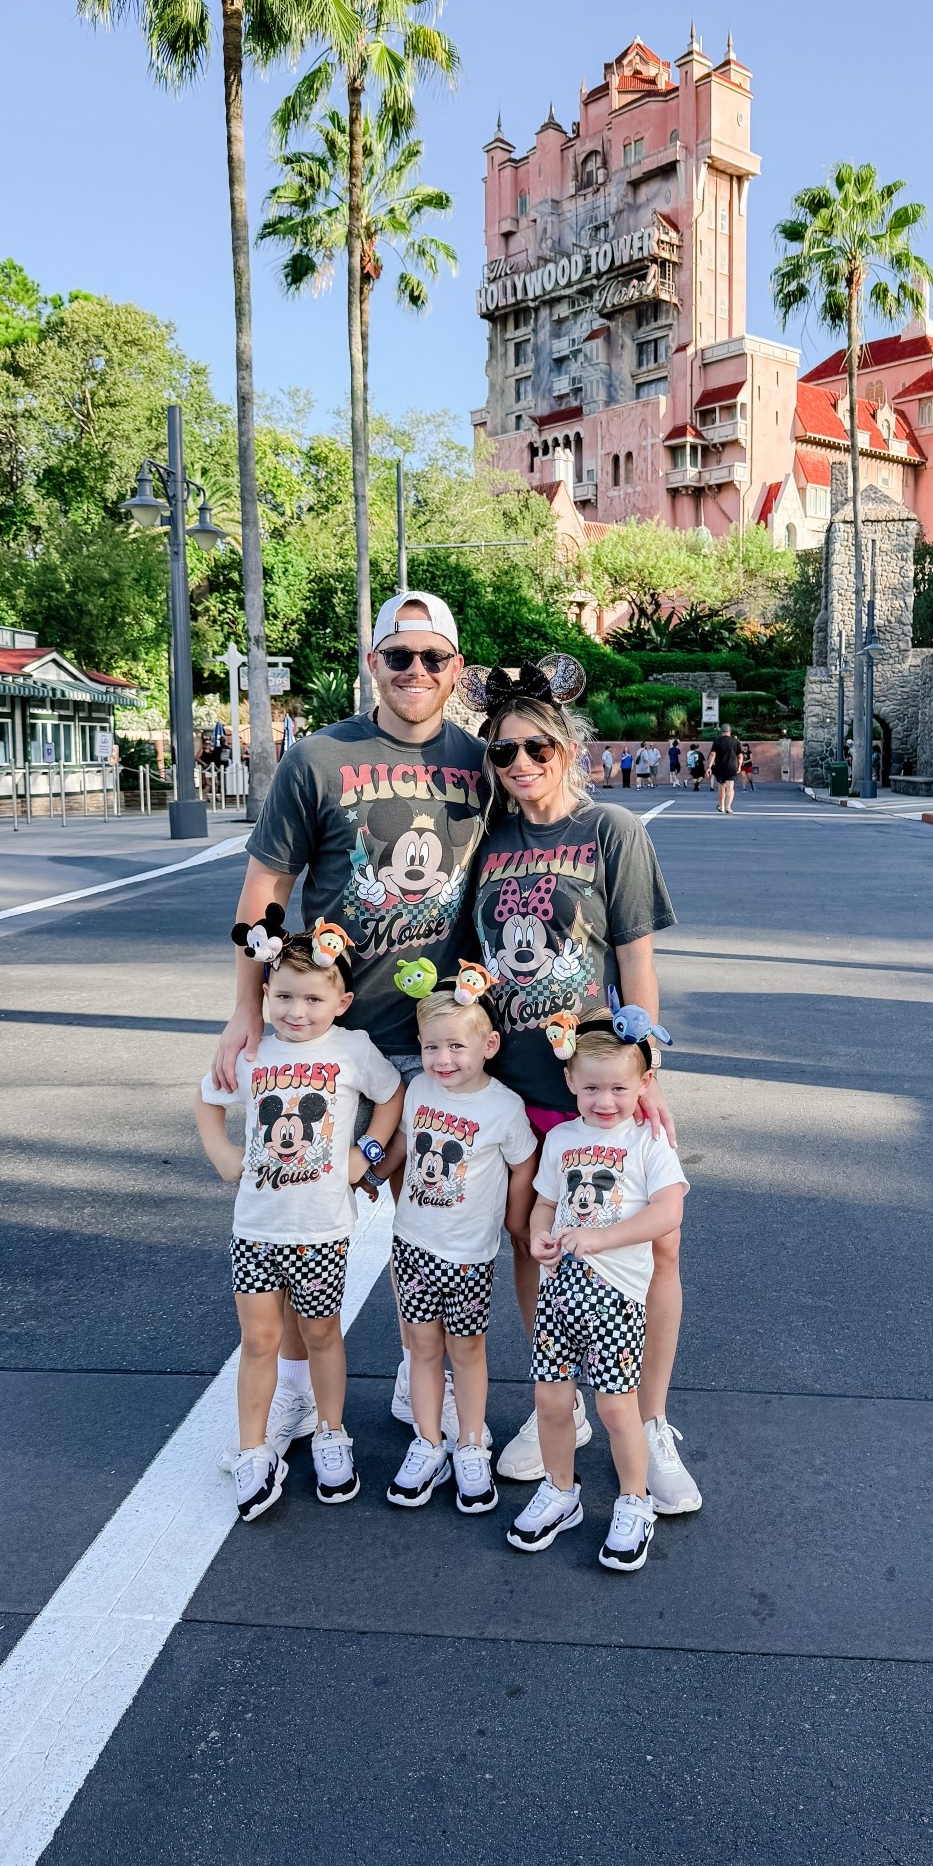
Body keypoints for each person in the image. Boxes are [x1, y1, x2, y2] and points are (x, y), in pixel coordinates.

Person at [210, 591, 487, 1462]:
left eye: (432, 658)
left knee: (428, 1214)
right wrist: (246, 1010)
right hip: (327, 1033)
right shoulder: (321, 757)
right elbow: (264, 891)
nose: (415, 672)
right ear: (373, 662)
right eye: (397, 656)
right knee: (298, 1211)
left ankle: (420, 1369)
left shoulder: (481, 764)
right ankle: (292, 1388)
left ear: (456, 669)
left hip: (439, 1034)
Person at [461, 651, 702, 1514]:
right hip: (515, 1080)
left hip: (597, 1080)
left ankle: (651, 1415)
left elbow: (636, 963)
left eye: (537, 748)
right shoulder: (486, 845)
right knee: (536, 1239)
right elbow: (466, 963)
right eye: (502, 752)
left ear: (569, 749)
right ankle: (560, 1398)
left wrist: (650, 1076)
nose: (519, 765)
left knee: (655, 1243)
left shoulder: (611, 833)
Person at [196, 931, 404, 1522]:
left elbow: (391, 1098)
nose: (296, 1011)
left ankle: (331, 1431)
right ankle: (253, 1450)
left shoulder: (352, 1049)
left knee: (320, 1335)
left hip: (322, 1229)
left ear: (340, 1001)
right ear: (266, 994)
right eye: (284, 996)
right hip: (257, 1229)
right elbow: (209, 1099)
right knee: (259, 1340)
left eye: (313, 1000)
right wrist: (221, 1154)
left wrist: (366, 1152)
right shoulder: (254, 1050)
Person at [507, 1013, 687, 1572]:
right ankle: (562, 1492)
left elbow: (668, 1210)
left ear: (643, 1084)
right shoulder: (562, 1139)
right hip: (559, 1295)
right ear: (570, 1084)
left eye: (618, 1087)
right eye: (591, 1087)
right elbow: (543, 1201)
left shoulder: (647, 1141)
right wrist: (540, 1234)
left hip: (617, 1300)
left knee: (615, 1408)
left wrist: (602, 1238)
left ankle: (635, 1503)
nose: (604, 1100)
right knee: (551, 1402)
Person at [375, 982, 538, 1515]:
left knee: (466, 1351)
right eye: (431, 1046)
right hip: (414, 1247)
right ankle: (429, 1443)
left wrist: (517, 1220)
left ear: (489, 1045)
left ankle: (470, 1444)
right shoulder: (418, 1090)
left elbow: (523, 1165)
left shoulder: (504, 1107)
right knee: (422, 1350)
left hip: (469, 1256)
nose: (442, 1059)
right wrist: (372, 1169)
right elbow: (401, 1141)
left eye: (456, 1046)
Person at [709, 723, 741, 814]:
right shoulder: (736, 741)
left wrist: (709, 767)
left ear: (721, 731)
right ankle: (728, 807)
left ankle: (721, 806)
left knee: (721, 787)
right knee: (730, 787)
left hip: (720, 767)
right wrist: (739, 766)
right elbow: (740, 756)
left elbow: (712, 754)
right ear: (730, 731)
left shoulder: (717, 741)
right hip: (731, 767)